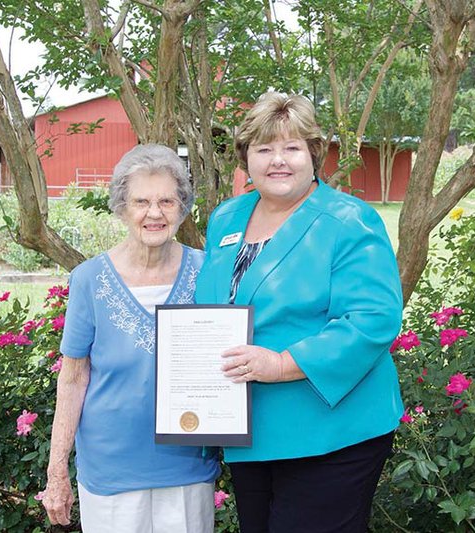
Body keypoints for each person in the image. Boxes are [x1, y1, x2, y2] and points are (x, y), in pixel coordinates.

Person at [194, 93, 404, 532]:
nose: (278, 161)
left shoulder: (349, 221)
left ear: (314, 153)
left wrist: (282, 364)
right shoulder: (226, 219)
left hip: (331, 430)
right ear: (245, 158)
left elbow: (372, 320)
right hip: (250, 429)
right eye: (264, 148)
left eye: (291, 148)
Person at [42, 144, 220, 532]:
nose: (154, 213)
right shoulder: (89, 279)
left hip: (186, 467)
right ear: (122, 207)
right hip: (110, 473)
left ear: (182, 207)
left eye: (166, 201)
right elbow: (72, 378)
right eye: (141, 201)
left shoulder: (207, 272)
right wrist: (57, 472)